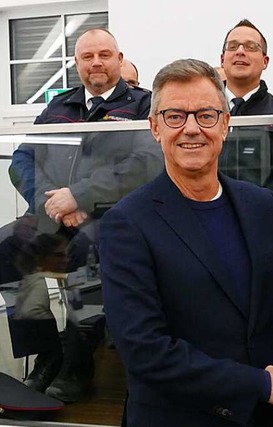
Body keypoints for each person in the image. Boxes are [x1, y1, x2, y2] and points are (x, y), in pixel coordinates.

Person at [99, 58, 273, 427]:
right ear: (154, 127)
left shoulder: (260, 206)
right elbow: (145, 350)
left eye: (206, 115)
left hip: (264, 419)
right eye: (175, 116)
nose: (191, 128)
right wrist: (261, 384)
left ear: (225, 124)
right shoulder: (127, 224)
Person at [7, 28, 163, 403]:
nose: (96, 62)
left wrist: (77, 197)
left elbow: (147, 162)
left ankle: (78, 362)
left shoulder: (142, 106)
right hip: (51, 214)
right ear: (76, 63)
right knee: (8, 250)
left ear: (119, 59)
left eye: (104, 55)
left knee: (85, 258)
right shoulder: (58, 107)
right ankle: (48, 353)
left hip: (112, 218)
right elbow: (23, 160)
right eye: (87, 56)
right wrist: (51, 202)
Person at [219, 19, 273, 225]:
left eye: (251, 47)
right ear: (223, 59)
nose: (240, 51)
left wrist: (250, 207)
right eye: (233, 46)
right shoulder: (201, 111)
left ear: (265, 61)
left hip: (264, 217)